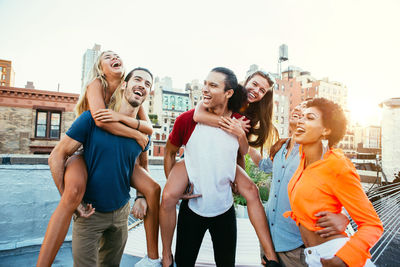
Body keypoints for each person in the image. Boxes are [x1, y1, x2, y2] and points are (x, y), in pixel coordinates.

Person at [37, 53, 161, 267]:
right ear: (124, 85)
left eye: (147, 83)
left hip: (121, 214)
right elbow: (57, 155)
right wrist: (70, 198)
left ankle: (154, 259)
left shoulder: (143, 131)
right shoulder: (93, 118)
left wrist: (141, 195)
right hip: (90, 216)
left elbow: (142, 162)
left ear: (148, 93)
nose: (142, 85)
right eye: (137, 80)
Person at [160, 70, 279, 267]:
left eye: (262, 90)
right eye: (254, 84)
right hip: (194, 175)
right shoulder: (192, 117)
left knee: (251, 191)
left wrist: (239, 134)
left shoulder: (246, 118)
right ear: (244, 82)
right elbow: (173, 146)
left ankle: (271, 256)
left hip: (224, 190)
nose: (256, 91)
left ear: (229, 93)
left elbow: (240, 151)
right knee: (168, 196)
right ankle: (166, 257)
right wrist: (174, 181)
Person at [284, 98, 383, 267]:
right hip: (312, 256)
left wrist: (343, 259)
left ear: (326, 130)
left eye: (310, 117)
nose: (301, 120)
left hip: (336, 255)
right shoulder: (303, 158)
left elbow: (372, 224)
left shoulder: (337, 164)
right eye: (302, 116)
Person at [248, 102, 350, 267]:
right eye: (296, 107)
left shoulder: (318, 154)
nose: (297, 109)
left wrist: (343, 216)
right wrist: (244, 142)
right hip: (270, 242)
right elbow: (264, 165)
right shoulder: (280, 148)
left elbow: (337, 187)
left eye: (306, 111)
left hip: (298, 247)